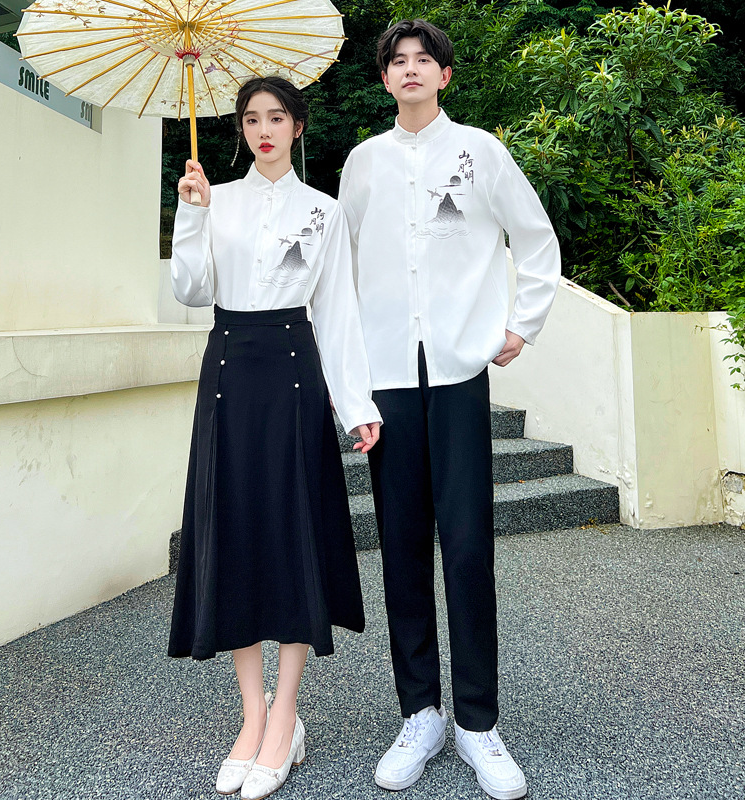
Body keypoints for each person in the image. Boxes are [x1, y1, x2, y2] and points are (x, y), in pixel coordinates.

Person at [339, 19, 560, 800]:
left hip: (460, 372)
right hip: (388, 376)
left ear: (445, 75)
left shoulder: (481, 153)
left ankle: (477, 722)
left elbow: (536, 239)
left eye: (423, 60)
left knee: (467, 548)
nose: (410, 70)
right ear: (384, 78)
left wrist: (521, 324)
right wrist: (350, 386)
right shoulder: (363, 163)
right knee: (401, 549)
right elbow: (341, 273)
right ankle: (419, 714)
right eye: (397, 61)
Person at [167, 76, 382, 800]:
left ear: (298, 126)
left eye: (277, 117)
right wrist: (190, 214)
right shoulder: (214, 199)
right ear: (240, 129)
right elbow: (192, 291)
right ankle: (252, 714)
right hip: (228, 373)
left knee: (292, 534)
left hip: (294, 373)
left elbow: (339, 312)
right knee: (234, 533)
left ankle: (286, 715)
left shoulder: (323, 211)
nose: (264, 129)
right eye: (252, 118)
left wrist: (356, 405)